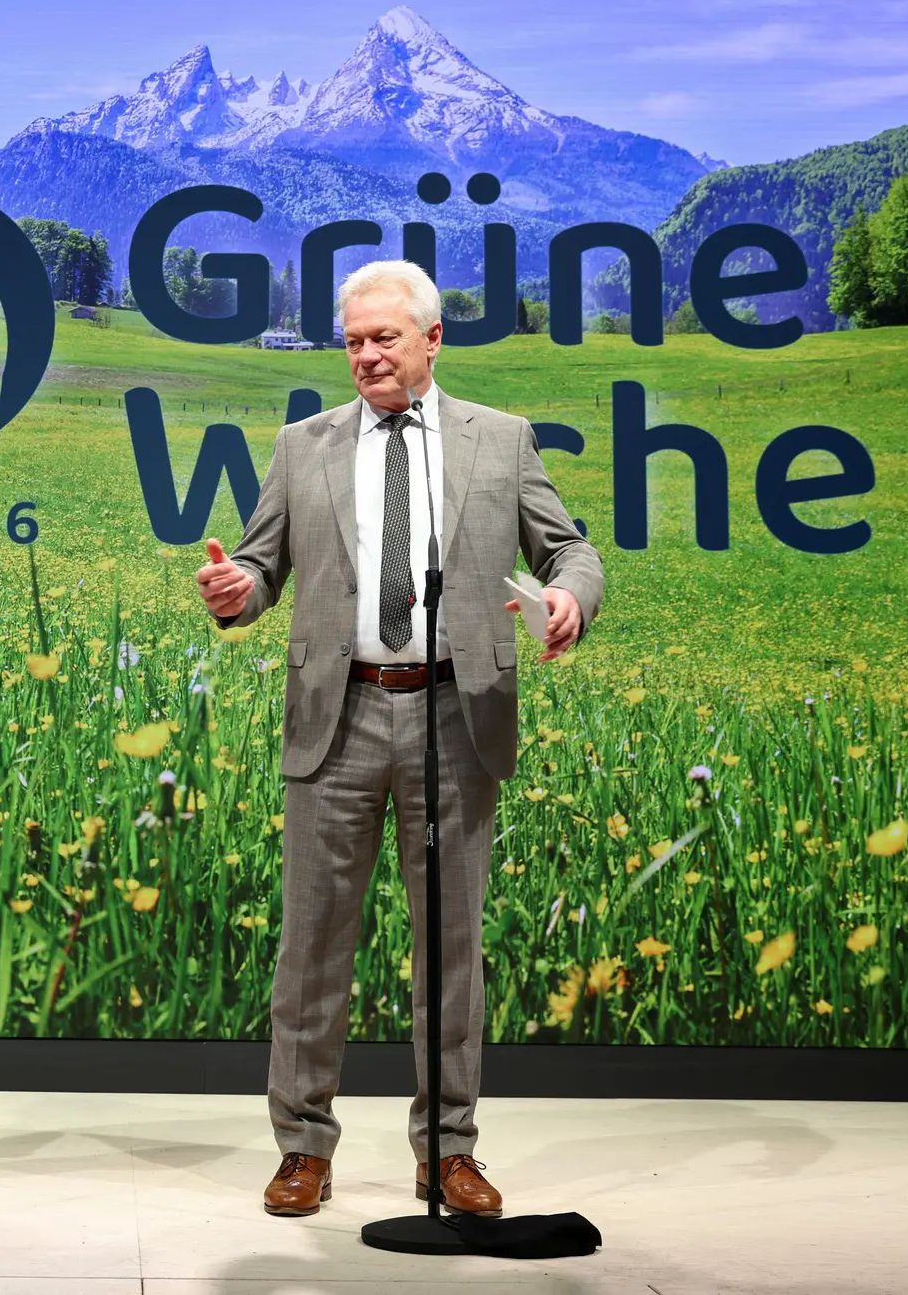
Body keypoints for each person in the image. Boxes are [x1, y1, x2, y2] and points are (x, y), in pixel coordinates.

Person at [195, 260, 603, 1218]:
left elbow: (570, 549)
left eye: (383, 338)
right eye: (352, 341)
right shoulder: (303, 445)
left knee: (452, 951)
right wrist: (236, 594)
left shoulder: (498, 442)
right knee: (313, 946)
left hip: (457, 716)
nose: (366, 355)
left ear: (432, 340)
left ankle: (448, 1153)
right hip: (336, 717)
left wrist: (565, 599)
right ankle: (303, 1148)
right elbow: (258, 567)